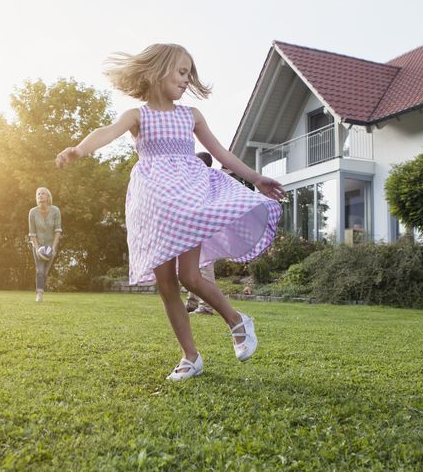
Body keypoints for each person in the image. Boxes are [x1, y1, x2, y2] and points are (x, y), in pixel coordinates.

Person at [56, 44, 283, 381]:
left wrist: (254, 178)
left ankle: (237, 320)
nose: (186, 79)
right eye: (180, 71)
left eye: (189, 73)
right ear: (157, 70)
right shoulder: (138, 116)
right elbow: (106, 132)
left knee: (190, 276)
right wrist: (79, 149)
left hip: (187, 200)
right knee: (166, 285)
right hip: (154, 206)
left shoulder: (190, 115)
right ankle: (191, 357)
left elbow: (221, 152)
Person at [186, 152, 215, 315]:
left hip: (203, 228)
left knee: (204, 266)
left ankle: (206, 306)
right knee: (191, 267)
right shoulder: (196, 181)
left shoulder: (207, 181)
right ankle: (192, 302)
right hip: (194, 227)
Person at [28, 186, 62, 303]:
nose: (40, 195)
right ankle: (39, 294)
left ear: (48, 197)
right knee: (40, 270)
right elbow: (32, 233)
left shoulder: (55, 211)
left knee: (45, 272)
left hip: (51, 246)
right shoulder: (32, 212)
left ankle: (41, 289)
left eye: (43, 193)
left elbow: (57, 231)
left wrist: (53, 248)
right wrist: (37, 249)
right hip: (37, 246)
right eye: (38, 194)